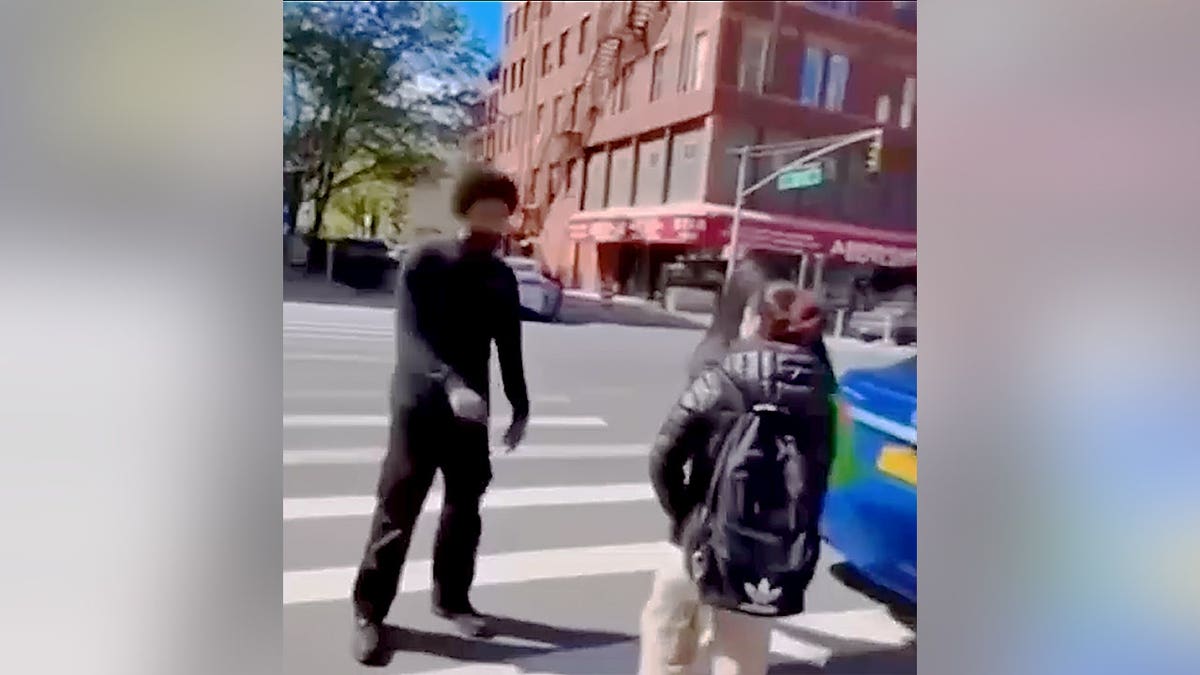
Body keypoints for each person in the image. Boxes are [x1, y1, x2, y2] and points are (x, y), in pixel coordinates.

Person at [352, 167, 530, 665]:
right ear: (465, 207)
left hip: (470, 411)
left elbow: (508, 345)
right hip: (418, 404)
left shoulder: (500, 275)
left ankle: (452, 599)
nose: (496, 215)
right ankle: (370, 614)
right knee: (398, 508)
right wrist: (451, 385)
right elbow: (411, 339)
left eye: (503, 207)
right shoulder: (425, 260)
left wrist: (519, 405)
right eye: (486, 204)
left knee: (464, 511)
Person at [640, 282, 837, 675]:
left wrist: (686, 516)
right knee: (742, 658)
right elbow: (824, 474)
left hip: (698, 539)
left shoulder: (722, 377)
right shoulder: (825, 397)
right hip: (767, 557)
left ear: (755, 322)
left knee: (668, 638)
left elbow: (664, 455)